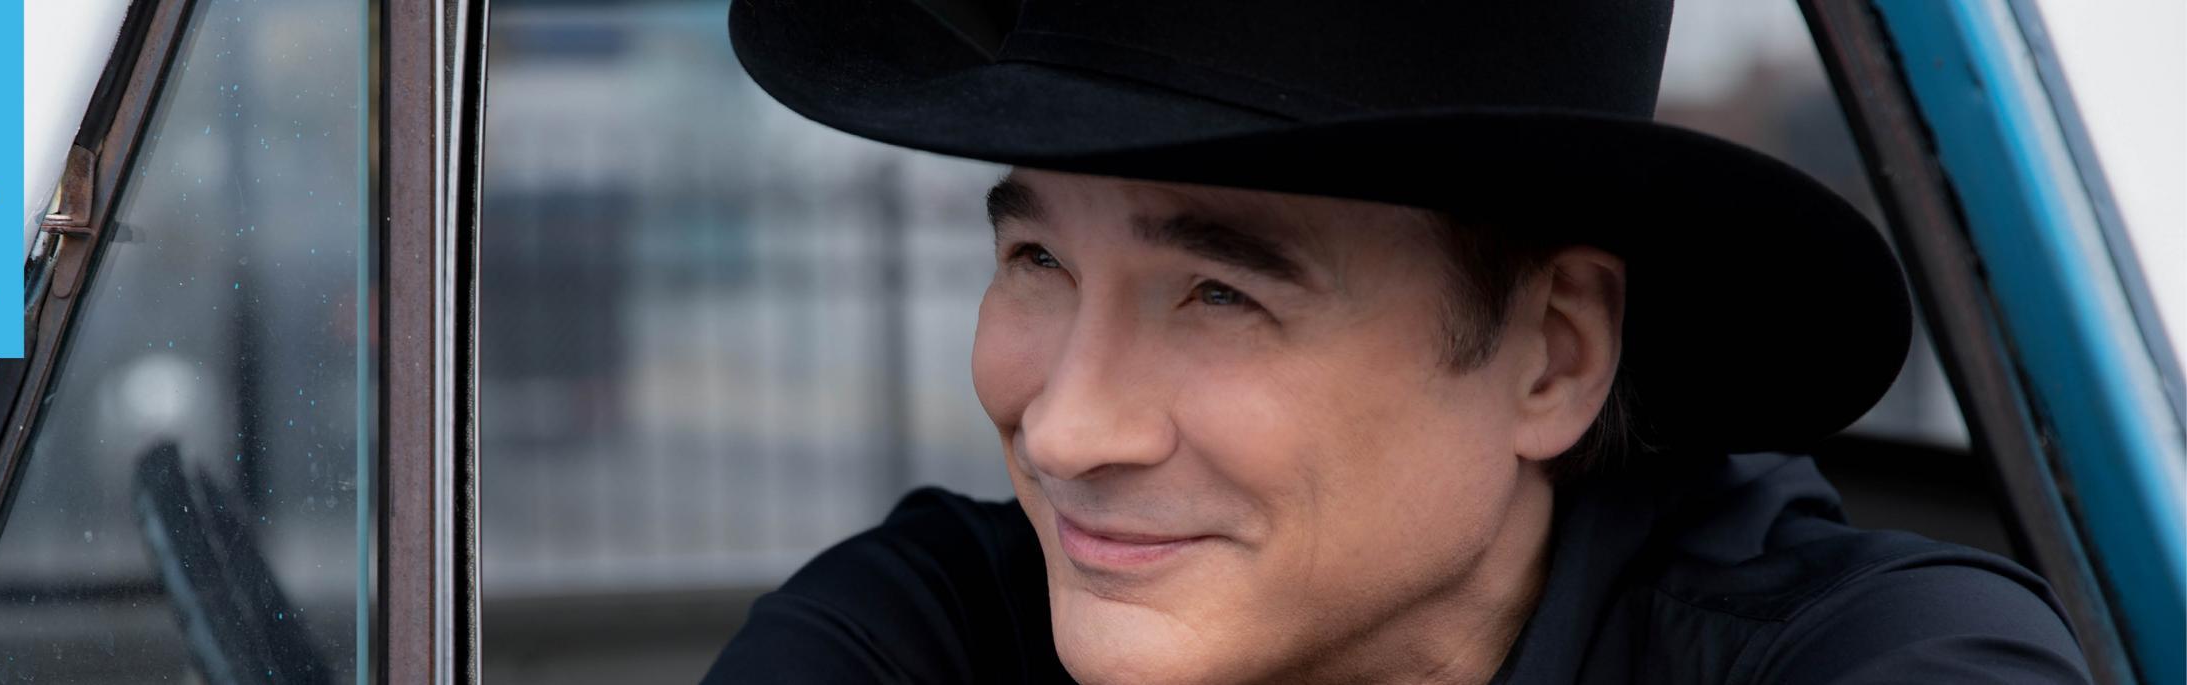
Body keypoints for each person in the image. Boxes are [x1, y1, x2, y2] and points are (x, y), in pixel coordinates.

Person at [702, 1, 2090, 683]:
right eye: (1038, 261)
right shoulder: (926, 630)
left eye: (1218, 294)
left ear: (1552, 355)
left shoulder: (1873, 657)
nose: (1066, 430)